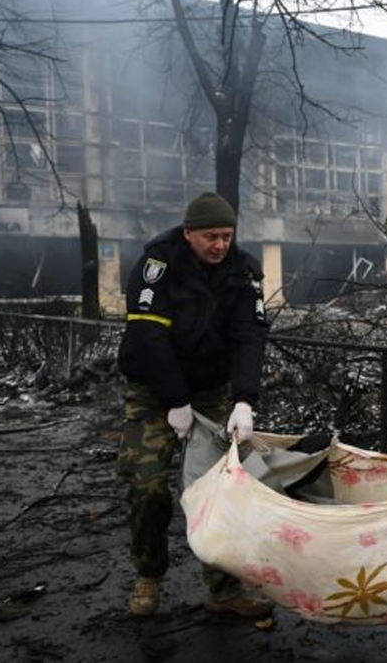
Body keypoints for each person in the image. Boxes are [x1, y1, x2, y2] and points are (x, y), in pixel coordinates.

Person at [116, 192, 273, 618]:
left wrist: (244, 399)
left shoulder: (243, 270)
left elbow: (249, 336)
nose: (220, 245)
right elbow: (148, 336)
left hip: (210, 391)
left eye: (226, 236)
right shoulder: (157, 267)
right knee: (147, 487)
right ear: (189, 234)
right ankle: (149, 575)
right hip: (154, 392)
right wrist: (175, 401)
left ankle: (223, 590)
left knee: (223, 491)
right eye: (210, 236)